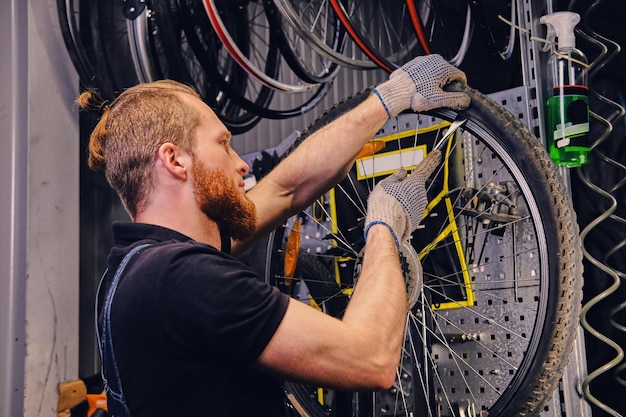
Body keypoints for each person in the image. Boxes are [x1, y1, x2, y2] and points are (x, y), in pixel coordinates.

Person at [78, 54, 470, 417]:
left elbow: (285, 191)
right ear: (174, 160)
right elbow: (370, 357)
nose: (241, 163)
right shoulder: (180, 277)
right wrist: (384, 225)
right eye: (223, 144)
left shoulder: (133, 271)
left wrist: (391, 96)